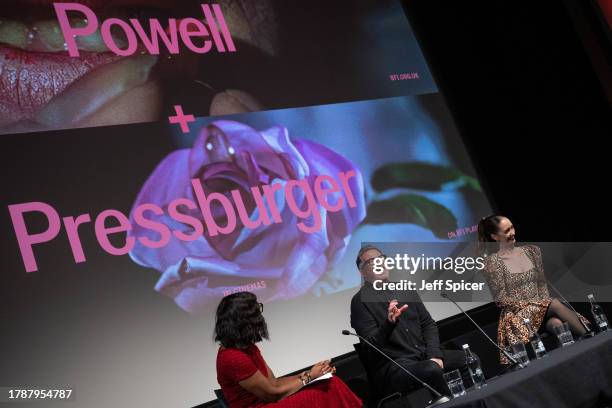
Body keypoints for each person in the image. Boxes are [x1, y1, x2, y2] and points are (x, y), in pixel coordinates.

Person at [350, 245, 470, 399]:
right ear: (362, 272)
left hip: (424, 355)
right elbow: (370, 346)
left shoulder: (405, 289)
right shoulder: (360, 302)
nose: (380, 263)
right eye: (373, 261)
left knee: (468, 358)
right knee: (431, 369)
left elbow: (428, 324)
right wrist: (389, 324)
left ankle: (471, 401)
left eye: (382, 259)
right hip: (396, 366)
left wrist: (434, 354)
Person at [215, 292, 362, 408]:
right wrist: (310, 376)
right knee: (326, 390)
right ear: (244, 320)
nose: (260, 316)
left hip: (269, 401)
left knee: (330, 382)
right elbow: (272, 395)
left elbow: (274, 383)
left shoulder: (248, 347)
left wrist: (313, 373)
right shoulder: (233, 358)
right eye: (256, 311)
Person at [478, 214, 591, 364]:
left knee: (557, 325)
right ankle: (592, 336)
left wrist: (541, 303)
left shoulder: (532, 251)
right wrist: (534, 303)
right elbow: (501, 301)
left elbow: (542, 285)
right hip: (517, 314)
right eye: (506, 231)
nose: (512, 233)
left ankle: (570, 362)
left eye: (512, 227)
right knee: (555, 303)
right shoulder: (492, 263)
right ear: (494, 237)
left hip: (543, 307)